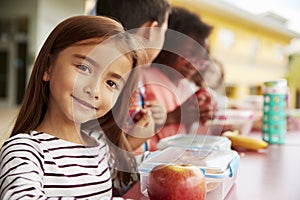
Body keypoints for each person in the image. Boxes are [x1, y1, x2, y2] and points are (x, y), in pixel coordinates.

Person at [0, 15, 146, 199]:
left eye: (111, 83)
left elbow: (130, 170)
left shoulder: (97, 144)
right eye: (84, 68)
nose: (93, 90)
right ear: (48, 67)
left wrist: (171, 160)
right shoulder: (24, 150)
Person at [91, 0, 171, 196]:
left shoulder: (134, 74)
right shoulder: (112, 81)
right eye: (165, 33)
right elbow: (93, 158)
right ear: (150, 31)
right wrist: (132, 143)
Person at [138, 6, 218, 151]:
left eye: (201, 59)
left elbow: (188, 135)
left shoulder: (186, 87)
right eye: (189, 53)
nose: (194, 64)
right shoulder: (143, 78)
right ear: (166, 46)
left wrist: (202, 116)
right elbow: (129, 131)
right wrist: (173, 117)